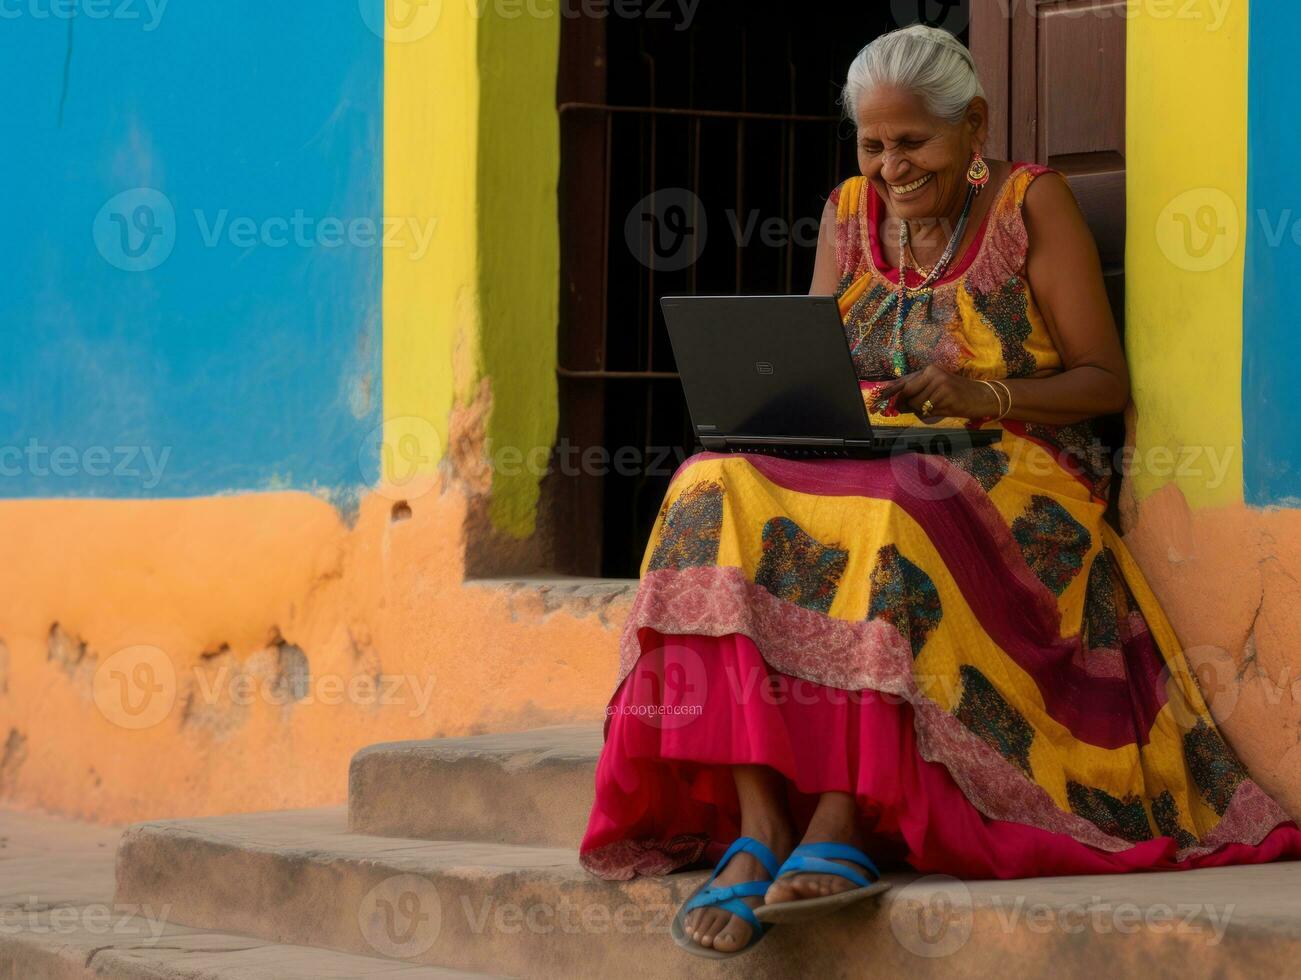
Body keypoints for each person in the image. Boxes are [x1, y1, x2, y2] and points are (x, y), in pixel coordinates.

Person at [579, 24, 1301, 958]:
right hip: (865, 447)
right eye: (873, 145)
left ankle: (840, 818)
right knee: (704, 488)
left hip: (1017, 462)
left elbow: (1100, 381)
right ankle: (760, 824)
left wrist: (983, 392)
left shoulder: (1030, 205)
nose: (890, 167)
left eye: (912, 142)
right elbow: (814, 352)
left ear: (972, 126)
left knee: (894, 515)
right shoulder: (846, 211)